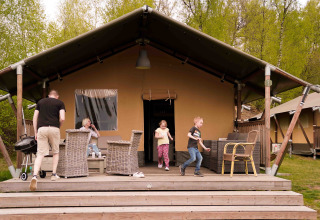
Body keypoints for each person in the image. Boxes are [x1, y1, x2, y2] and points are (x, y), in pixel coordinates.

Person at [30, 90, 65, 191]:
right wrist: (58, 126)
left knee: (40, 153)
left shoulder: (40, 102)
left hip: (42, 129)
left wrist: (36, 132)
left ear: (49, 95)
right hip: (54, 128)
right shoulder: (60, 103)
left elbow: (35, 117)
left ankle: (34, 176)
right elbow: (62, 118)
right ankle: (54, 174)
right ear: (57, 96)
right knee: (55, 152)